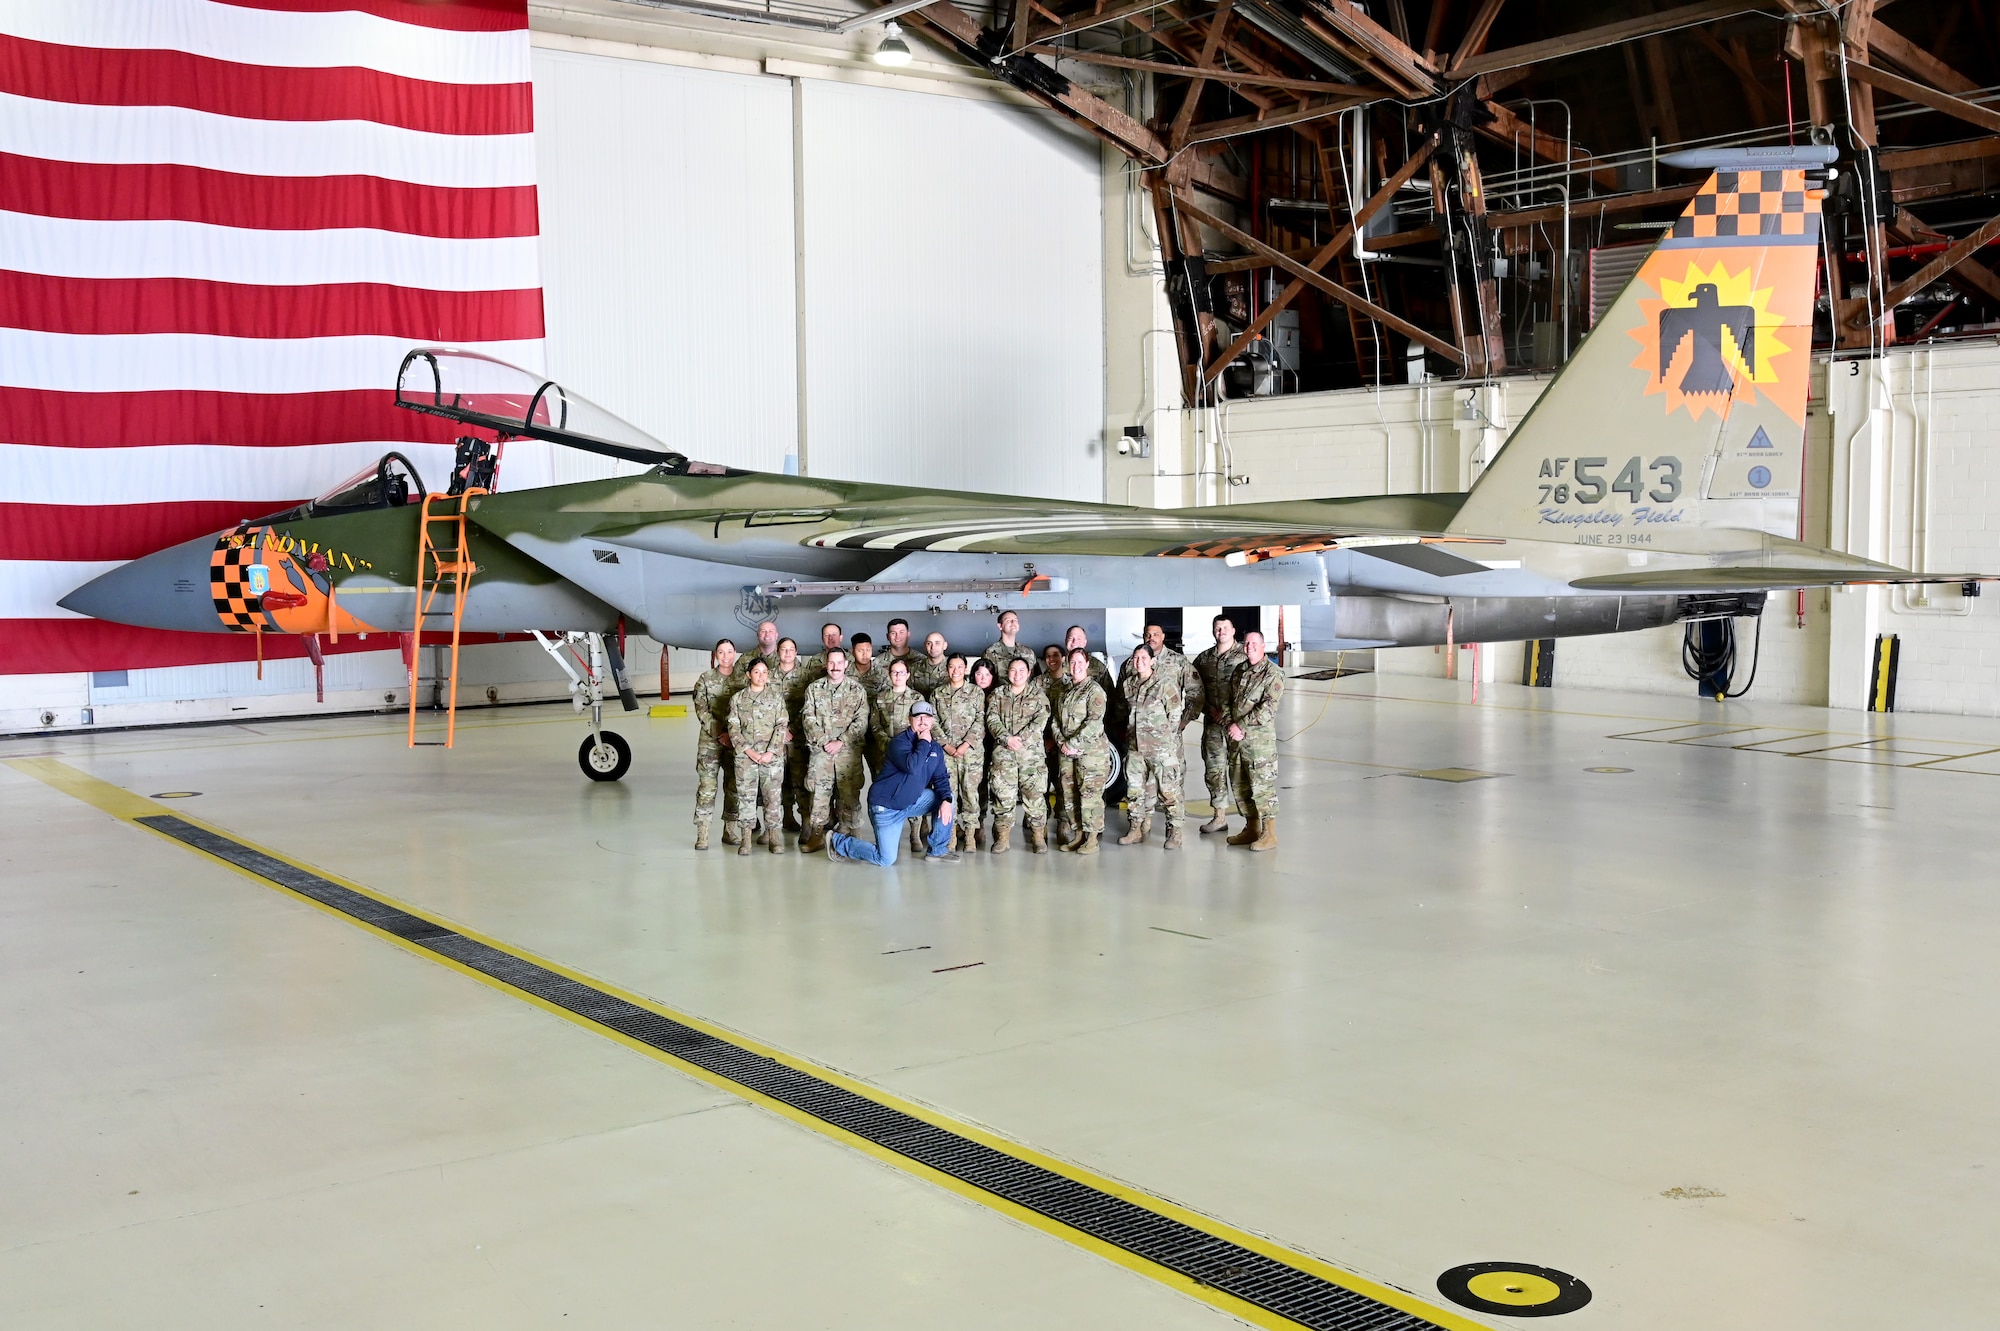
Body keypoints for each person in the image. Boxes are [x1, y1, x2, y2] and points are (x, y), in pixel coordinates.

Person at [826, 701, 959, 866]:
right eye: (918, 717)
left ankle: (937, 850)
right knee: (886, 859)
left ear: (932, 721)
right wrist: (924, 742)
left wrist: (946, 800)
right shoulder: (899, 742)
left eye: (927, 717)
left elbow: (941, 778)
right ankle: (838, 842)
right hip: (886, 808)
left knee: (947, 798)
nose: (923, 721)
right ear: (910, 719)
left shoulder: (936, 749)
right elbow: (913, 766)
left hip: (910, 803)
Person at [799, 647, 868, 852]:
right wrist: (823, 740)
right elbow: (808, 717)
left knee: (849, 795)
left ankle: (853, 834)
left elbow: (861, 720)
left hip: (847, 753)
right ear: (826, 664)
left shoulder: (857, 690)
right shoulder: (814, 688)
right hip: (821, 752)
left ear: (846, 664)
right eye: (831, 663)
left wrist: (841, 741)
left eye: (839, 663)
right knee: (819, 794)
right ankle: (817, 835)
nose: (835, 667)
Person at [1119, 644, 1187, 849]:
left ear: (1152, 661)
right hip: (1135, 748)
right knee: (1134, 791)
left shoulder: (1165, 684)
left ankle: (1175, 831)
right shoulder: (1128, 684)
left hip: (1160, 749)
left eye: (1143, 658)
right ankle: (1135, 828)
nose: (1139, 662)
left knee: (1168, 791)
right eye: (1136, 658)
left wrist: (1165, 741)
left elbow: (1174, 716)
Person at [1225, 630, 1284, 851]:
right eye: (1246, 643)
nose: (1249, 646)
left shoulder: (1272, 674)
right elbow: (1230, 700)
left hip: (1259, 744)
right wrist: (1230, 725)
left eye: (1254, 643)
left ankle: (1269, 834)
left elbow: (1267, 708)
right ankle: (1251, 828)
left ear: (1263, 645)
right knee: (1241, 786)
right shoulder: (1240, 671)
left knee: (1262, 787)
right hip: (1238, 741)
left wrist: (1240, 726)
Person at [985, 656, 1051, 854]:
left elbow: (1041, 720)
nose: (1017, 674)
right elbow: (991, 718)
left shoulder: (1038, 695)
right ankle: (1002, 838)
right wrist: (1007, 739)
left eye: (1022, 670)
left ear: (1029, 673)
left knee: (1035, 797)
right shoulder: (997, 694)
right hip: (1004, 756)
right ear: (1008, 672)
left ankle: (1038, 837)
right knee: (1003, 798)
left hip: (1031, 757)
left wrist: (1020, 739)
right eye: (1013, 670)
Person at [725, 658, 791, 855]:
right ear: (748, 674)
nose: (761, 676)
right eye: (756, 672)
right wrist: (749, 751)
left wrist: (770, 751)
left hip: (772, 758)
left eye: (764, 672)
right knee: (746, 798)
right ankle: (746, 839)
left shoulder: (776, 698)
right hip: (746, 758)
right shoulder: (738, 699)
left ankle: (774, 837)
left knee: (773, 798)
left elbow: (781, 725)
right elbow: (733, 727)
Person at [1052, 647, 1112, 854]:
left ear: (1087, 664)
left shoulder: (1094, 691)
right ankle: (1078, 834)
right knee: (1070, 795)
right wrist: (1061, 742)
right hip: (1067, 754)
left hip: (1090, 754)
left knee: (1089, 795)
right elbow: (1055, 721)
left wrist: (1072, 744)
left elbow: (1094, 723)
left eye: (1080, 662)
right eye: (1072, 662)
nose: (1076, 666)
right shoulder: (1064, 691)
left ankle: (1092, 838)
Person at [1192, 615, 1247, 834]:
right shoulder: (1204, 659)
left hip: (1237, 724)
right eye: (1217, 628)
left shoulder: (1245, 655)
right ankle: (1219, 817)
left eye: (1225, 627)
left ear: (1233, 630)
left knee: (1240, 771)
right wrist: (1208, 710)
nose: (1221, 631)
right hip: (1214, 724)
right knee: (1214, 770)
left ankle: (1250, 821)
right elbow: (1195, 688)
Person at [691, 639, 743, 850]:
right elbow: (701, 710)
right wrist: (720, 732)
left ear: (734, 654)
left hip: (735, 741)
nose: (725, 656)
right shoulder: (705, 679)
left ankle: (729, 830)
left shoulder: (743, 679)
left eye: (729, 652)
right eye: (721, 652)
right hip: (710, 742)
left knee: (734, 787)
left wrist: (732, 735)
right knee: (707, 787)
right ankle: (702, 833)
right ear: (715, 655)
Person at [932, 654, 986, 852]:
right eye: (952, 667)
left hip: (970, 753)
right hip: (946, 753)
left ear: (965, 669)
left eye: (959, 667)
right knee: (948, 794)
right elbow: (933, 723)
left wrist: (965, 745)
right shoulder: (937, 694)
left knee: (971, 793)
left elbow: (980, 721)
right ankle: (951, 835)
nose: (955, 671)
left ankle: (970, 834)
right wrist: (946, 745)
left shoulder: (976, 692)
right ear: (947, 669)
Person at [768, 637, 811, 832]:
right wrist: (779, 731)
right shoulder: (767, 676)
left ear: (796, 652)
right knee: (779, 779)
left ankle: (807, 822)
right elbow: (765, 706)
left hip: (799, 736)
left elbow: (810, 706)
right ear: (777, 652)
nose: (787, 653)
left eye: (791, 649)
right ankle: (786, 816)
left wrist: (792, 729)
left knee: (800, 778)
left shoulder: (806, 675)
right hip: (775, 738)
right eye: (783, 649)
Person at [983, 610, 1036, 682]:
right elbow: (986, 681)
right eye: (1008, 621)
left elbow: (1036, 679)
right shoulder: (990, 653)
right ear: (1000, 626)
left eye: (1015, 620)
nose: (1013, 623)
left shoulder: (1028, 652)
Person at [910, 631, 950, 698]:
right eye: (929, 643)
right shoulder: (914, 668)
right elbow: (908, 692)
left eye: (937, 643)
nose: (933, 647)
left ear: (945, 645)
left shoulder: (953, 668)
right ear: (924, 646)